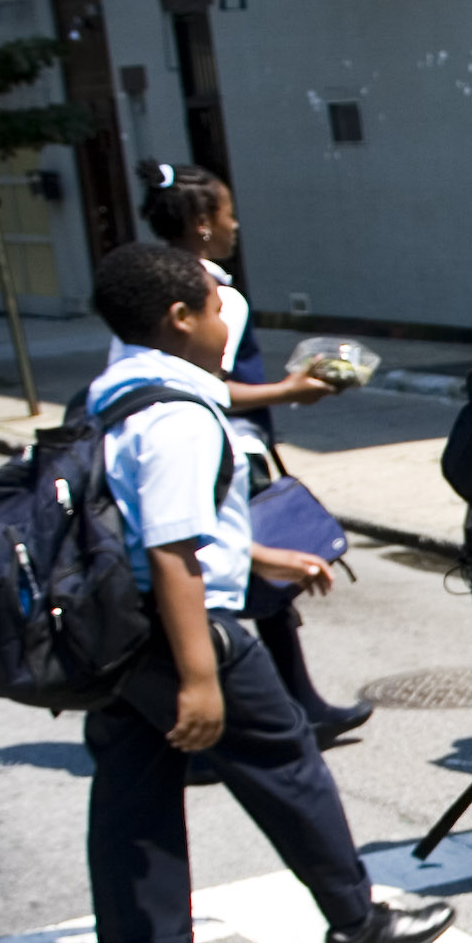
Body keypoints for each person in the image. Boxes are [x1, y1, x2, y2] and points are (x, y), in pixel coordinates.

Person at [76, 243, 454, 943]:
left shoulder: (111, 398)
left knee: (132, 792)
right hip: (181, 629)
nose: (225, 322)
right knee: (285, 761)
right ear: (180, 319)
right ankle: (357, 927)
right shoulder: (180, 416)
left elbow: (149, 523)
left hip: (114, 637)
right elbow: (172, 553)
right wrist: (201, 676)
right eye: (216, 309)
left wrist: (261, 552)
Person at [134, 160, 371, 742]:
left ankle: (292, 705)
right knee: (250, 578)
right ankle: (271, 715)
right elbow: (205, 383)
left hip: (183, 449)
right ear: (203, 223)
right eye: (228, 212)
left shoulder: (147, 286)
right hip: (225, 451)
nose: (236, 225)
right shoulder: (210, 294)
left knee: (247, 580)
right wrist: (290, 391)